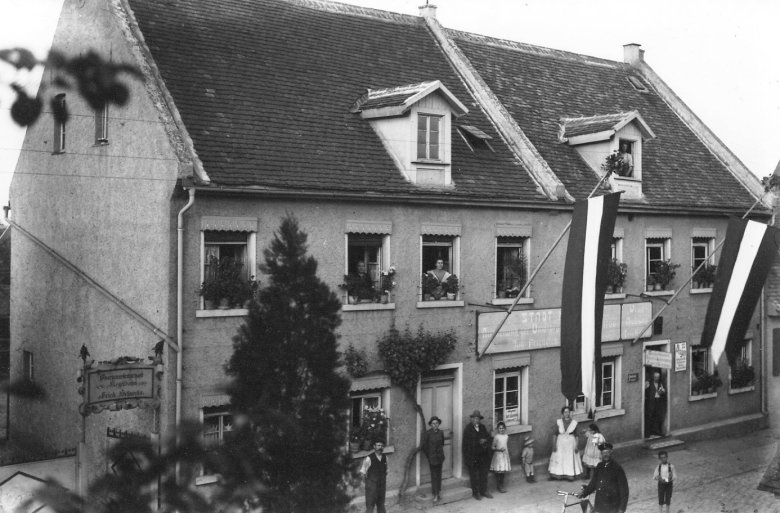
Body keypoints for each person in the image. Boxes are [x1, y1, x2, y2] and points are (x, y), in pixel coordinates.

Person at [578, 442, 629, 513]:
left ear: (611, 452)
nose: (605, 455)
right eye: (603, 453)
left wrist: (622, 509)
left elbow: (624, 490)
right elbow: (593, 483)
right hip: (600, 504)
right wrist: (584, 493)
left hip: (612, 506)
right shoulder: (599, 466)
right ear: (601, 454)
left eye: (607, 452)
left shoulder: (617, 468)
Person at [462, 409, 493, 500]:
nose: (476, 420)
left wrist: (485, 440)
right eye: (475, 418)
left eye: (478, 419)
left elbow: (488, 437)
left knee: (484, 474)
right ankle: (476, 493)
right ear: (472, 419)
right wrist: (478, 442)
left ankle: (484, 491)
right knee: (474, 475)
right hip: (473, 457)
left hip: (482, 456)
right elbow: (466, 444)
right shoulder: (468, 429)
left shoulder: (482, 427)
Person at [548, 405, 582, 481]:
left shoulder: (574, 423)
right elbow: (555, 434)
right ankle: (557, 475)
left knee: (569, 458)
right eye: (565, 412)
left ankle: (569, 475)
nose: (567, 413)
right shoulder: (559, 422)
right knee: (559, 457)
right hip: (560, 442)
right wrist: (554, 445)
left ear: (570, 413)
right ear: (562, 413)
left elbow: (576, 435)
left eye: (568, 412)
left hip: (570, 443)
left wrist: (576, 446)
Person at [359, 438, 388, 513]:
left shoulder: (385, 458)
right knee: (370, 506)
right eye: (378, 445)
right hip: (371, 487)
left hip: (381, 486)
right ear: (374, 446)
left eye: (382, 445)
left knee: (381, 505)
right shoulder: (369, 458)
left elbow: (386, 471)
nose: (380, 447)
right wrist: (367, 484)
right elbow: (363, 473)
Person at [421, 415, 445, 503]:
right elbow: (424, 447)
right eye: (433, 423)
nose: (435, 425)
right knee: (434, 476)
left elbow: (442, 443)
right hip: (432, 458)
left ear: (438, 424)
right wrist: (429, 456)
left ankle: (438, 492)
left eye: (436, 423)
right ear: (431, 425)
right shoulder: (428, 434)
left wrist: (439, 454)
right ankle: (435, 494)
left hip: (440, 457)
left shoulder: (441, 432)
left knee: (439, 475)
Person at [490, 421, 511, 493]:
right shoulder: (496, 437)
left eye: (502, 428)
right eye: (500, 428)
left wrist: (505, 452)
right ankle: (498, 486)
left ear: (504, 429)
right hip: (498, 456)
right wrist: (499, 450)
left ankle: (502, 485)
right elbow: (492, 447)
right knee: (498, 472)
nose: (501, 430)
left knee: (503, 472)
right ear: (497, 429)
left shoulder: (506, 436)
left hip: (504, 455)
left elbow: (505, 445)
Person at [645, 370, 667, 438]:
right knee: (649, 417)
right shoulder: (649, 383)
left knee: (657, 417)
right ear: (653, 377)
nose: (657, 378)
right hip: (651, 403)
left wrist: (663, 392)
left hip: (658, 402)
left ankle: (656, 431)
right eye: (655, 377)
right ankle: (647, 433)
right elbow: (645, 392)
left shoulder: (660, 384)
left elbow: (663, 392)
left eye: (658, 377)